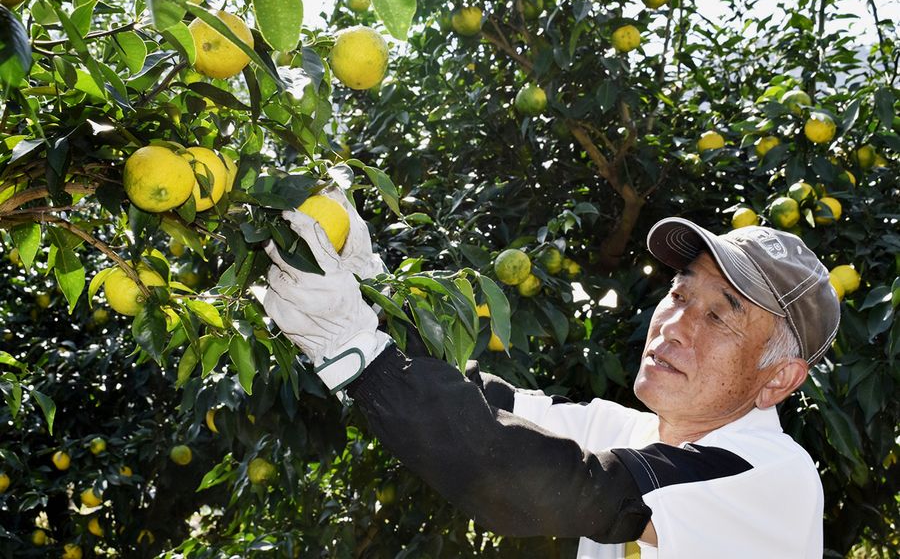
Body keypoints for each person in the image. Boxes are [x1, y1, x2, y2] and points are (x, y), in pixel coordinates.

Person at [263, 189, 840, 559]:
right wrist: (376, 295)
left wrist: (359, 352)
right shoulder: (631, 435)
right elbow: (486, 407)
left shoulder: (770, 476)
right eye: (680, 294)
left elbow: (533, 479)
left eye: (719, 316)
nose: (675, 325)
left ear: (779, 380)